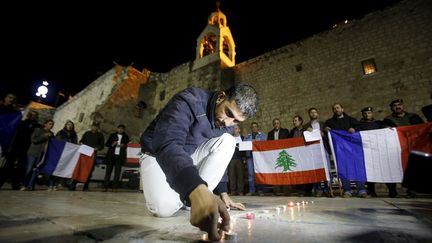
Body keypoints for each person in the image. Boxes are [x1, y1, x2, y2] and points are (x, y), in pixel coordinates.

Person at [139, 83, 258, 241]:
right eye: (228, 113)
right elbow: (169, 143)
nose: (228, 123)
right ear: (221, 97)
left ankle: (192, 200)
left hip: (188, 155)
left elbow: (218, 156)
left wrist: (223, 193)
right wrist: (194, 188)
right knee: (163, 209)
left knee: (228, 141)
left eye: (236, 121)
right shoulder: (189, 101)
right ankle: (194, 194)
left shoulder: (227, 124)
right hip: (156, 153)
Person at [383, 99, 425, 198]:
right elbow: (384, 131)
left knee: (412, 169)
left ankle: (411, 190)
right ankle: (392, 191)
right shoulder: (387, 120)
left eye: (399, 105)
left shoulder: (414, 117)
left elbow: (422, 127)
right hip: (396, 148)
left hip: (412, 147)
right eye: (395, 105)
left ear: (403, 106)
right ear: (391, 108)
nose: (397, 107)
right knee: (392, 168)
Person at [355, 107, 397, 197]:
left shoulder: (379, 123)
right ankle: (372, 191)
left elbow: (388, 129)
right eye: (365, 113)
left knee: (386, 171)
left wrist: (388, 128)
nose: (367, 115)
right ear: (363, 115)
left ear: (372, 113)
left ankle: (392, 191)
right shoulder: (359, 125)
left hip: (380, 151)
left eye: (369, 113)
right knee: (370, 172)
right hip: (368, 152)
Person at [69, 123, 105, 191]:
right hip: (83, 154)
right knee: (79, 168)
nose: (94, 128)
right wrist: (80, 142)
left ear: (98, 128)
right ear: (91, 127)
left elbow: (102, 145)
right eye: (93, 126)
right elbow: (82, 140)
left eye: (96, 127)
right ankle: (73, 185)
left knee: (89, 170)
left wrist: (97, 148)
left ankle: (85, 186)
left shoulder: (100, 135)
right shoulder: (87, 133)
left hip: (92, 155)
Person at [103, 124, 129, 191]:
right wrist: (113, 144)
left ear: (123, 130)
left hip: (120, 156)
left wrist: (123, 146)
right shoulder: (112, 135)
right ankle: (105, 187)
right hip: (111, 155)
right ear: (117, 129)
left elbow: (127, 145)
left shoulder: (126, 137)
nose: (120, 129)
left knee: (117, 172)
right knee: (108, 171)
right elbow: (107, 144)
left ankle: (114, 187)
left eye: (122, 129)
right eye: (119, 128)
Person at [228, 125, 246, 196]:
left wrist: (244, 158)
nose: (234, 130)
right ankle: (233, 191)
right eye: (234, 129)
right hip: (231, 159)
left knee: (240, 176)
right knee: (231, 176)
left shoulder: (243, 138)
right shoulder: (230, 139)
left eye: (236, 128)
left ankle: (240, 191)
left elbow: (245, 149)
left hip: (240, 159)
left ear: (239, 130)